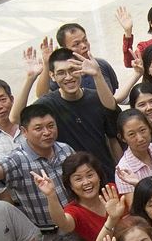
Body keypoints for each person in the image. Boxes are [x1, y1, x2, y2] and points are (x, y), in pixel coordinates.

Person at [0, 103, 75, 241]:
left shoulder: (65, 149)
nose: (47, 132)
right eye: (38, 128)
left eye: (51, 126)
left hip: (76, 223)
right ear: (24, 131)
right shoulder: (18, 159)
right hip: (49, 236)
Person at [16, 47, 121, 175]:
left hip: (105, 175)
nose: (68, 77)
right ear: (52, 76)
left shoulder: (97, 98)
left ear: (81, 70)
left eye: (73, 70)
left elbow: (112, 122)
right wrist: (30, 78)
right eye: (61, 73)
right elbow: (15, 119)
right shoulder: (49, 104)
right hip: (72, 181)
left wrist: (97, 74)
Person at [31, 151, 111, 241]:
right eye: (78, 179)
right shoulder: (74, 211)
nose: (86, 182)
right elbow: (63, 223)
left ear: (99, 176)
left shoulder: (111, 191)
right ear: (70, 185)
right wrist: (51, 195)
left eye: (90, 175)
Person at [35, 23, 121, 97]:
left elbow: (113, 94)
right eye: (76, 44)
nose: (84, 45)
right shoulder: (61, 75)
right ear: (65, 48)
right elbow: (42, 95)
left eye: (85, 40)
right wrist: (47, 64)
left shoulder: (102, 65)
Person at [113, 109, 152, 200]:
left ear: (149, 127)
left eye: (142, 130)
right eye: (132, 134)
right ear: (122, 138)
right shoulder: (123, 170)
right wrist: (140, 185)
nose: (140, 138)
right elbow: (135, 209)